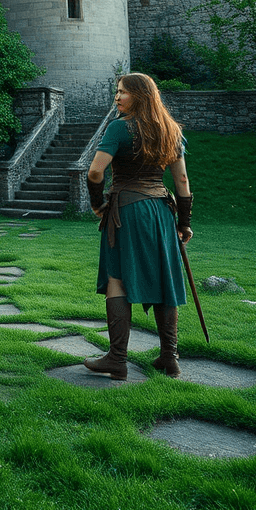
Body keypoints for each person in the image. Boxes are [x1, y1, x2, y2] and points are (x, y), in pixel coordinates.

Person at [84, 72, 193, 381]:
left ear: (140, 96)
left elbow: (95, 172)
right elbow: (182, 182)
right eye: (116, 92)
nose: (117, 98)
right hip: (161, 212)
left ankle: (117, 359)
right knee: (163, 279)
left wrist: (96, 204)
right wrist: (183, 223)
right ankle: (169, 357)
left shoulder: (119, 128)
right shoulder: (171, 130)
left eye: (123, 93)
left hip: (127, 211)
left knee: (117, 279)